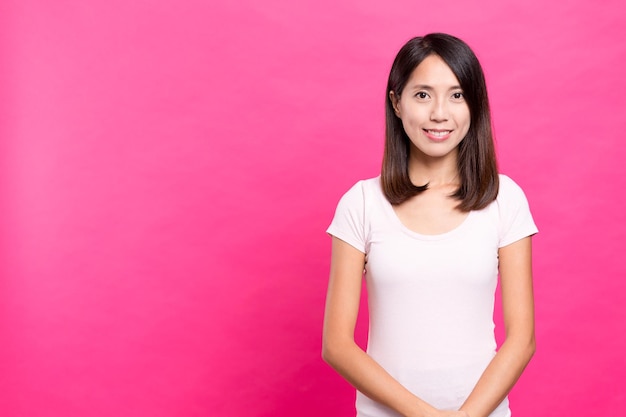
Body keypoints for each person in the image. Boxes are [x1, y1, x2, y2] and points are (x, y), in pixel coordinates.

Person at [322, 33, 538, 417]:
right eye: (423, 95)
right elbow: (336, 344)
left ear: (475, 105)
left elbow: (521, 339)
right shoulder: (362, 204)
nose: (440, 113)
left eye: (457, 95)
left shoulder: (505, 199)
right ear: (397, 102)